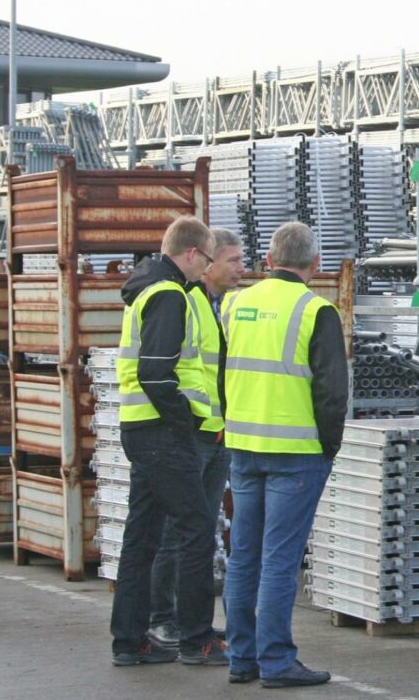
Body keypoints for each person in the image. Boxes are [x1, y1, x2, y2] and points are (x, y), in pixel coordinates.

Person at [221, 221, 348, 688]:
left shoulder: (235, 303)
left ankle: (242, 658)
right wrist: (328, 448)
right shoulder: (317, 310)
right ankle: (276, 661)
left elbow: (221, 373)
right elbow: (333, 392)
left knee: (243, 556)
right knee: (279, 559)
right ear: (315, 265)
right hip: (296, 451)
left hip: (244, 446)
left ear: (268, 262)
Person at [110, 215, 228, 667]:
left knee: (142, 537)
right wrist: (185, 423)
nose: (207, 270)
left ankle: (130, 639)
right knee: (196, 529)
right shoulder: (168, 294)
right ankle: (197, 639)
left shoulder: (149, 289)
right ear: (193, 253)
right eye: (207, 260)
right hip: (162, 432)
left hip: (142, 427)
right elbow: (157, 373)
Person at [146, 228, 245, 649]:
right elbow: (170, 372)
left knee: (199, 533)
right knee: (178, 531)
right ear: (205, 261)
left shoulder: (215, 306)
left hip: (215, 433)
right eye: (232, 261)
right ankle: (164, 618)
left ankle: (190, 622)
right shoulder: (186, 303)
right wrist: (188, 422)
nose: (241, 269)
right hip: (194, 434)